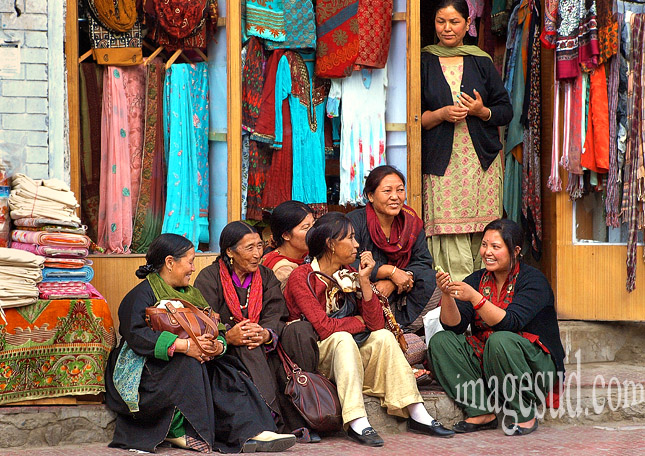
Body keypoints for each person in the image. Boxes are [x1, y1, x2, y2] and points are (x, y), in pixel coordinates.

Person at [104, 233, 296, 453]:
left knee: (227, 371)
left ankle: (251, 429)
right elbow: (136, 335)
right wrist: (185, 347)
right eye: (190, 261)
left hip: (190, 359)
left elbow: (217, 328)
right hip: (146, 368)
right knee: (188, 365)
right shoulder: (141, 294)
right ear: (169, 262)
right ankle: (178, 431)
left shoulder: (192, 294)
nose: (193, 268)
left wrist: (217, 346)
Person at [283, 212, 455, 447]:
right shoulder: (301, 276)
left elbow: (375, 325)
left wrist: (364, 281)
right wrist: (359, 322)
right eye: (351, 238)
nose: (357, 245)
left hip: (350, 355)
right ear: (331, 244)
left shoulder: (350, 275)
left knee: (383, 336)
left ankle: (416, 411)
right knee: (342, 338)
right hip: (321, 356)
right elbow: (323, 328)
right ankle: (356, 419)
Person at [428, 219, 565, 436]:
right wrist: (447, 294)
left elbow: (510, 322)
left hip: (533, 367)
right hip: (490, 362)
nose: (487, 252)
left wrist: (475, 298)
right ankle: (480, 410)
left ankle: (524, 413)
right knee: (441, 341)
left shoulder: (533, 280)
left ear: (516, 250)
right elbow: (453, 326)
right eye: (484, 245)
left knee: (500, 339)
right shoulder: (476, 279)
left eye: (496, 247)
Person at [194, 221, 320, 440]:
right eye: (249, 248)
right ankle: (271, 418)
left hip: (265, 345)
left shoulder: (266, 276)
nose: (257, 254)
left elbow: (276, 313)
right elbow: (204, 319)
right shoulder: (209, 278)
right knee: (246, 342)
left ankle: (309, 413)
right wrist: (228, 335)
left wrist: (266, 333)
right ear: (229, 252)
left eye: (259, 246)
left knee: (298, 330)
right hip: (227, 352)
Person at [421, 0, 513, 281]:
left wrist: (480, 111)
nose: (447, 29)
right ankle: (454, 304)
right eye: (441, 21)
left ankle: (482, 297)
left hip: (480, 164)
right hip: (442, 164)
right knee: (447, 233)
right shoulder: (423, 61)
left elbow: (505, 111)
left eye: (454, 22)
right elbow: (414, 119)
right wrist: (442, 114)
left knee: (482, 232)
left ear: (468, 24)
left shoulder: (481, 60)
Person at [347, 165, 438, 332]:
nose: (395, 197)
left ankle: (402, 329)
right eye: (387, 191)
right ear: (371, 196)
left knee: (432, 279)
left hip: (400, 292)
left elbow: (423, 262)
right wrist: (389, 271)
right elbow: (346, 263)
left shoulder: (411, 222)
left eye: (400, 190)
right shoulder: (353, 222)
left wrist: (394, 282)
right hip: (365, 291)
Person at [262, 200, 315, 290]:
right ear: (286, 235)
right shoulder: (282, 271)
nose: (313, 232)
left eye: (313, 225)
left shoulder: (307, 256)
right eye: (306, 228)